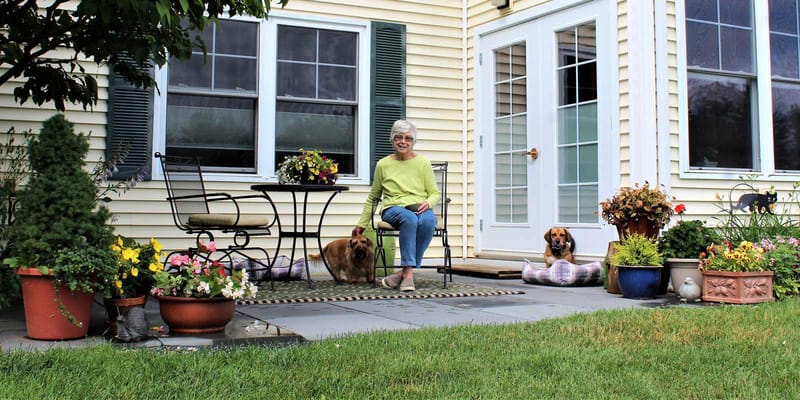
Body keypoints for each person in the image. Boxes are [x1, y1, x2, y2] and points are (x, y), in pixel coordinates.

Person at [352, 119, 441, 292]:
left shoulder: (423, 162)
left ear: (413, 142)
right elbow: (374, 197)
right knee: (409, 219)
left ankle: (405, 272)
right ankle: (408, 275)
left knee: (429, 221)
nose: (403, 141)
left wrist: (428, 202)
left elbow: (435, 193)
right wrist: (361, 224)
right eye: (399, 137)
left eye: (408, 138)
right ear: (392, 140)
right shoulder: (383, 164)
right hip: (393, 208)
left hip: (418, 206)